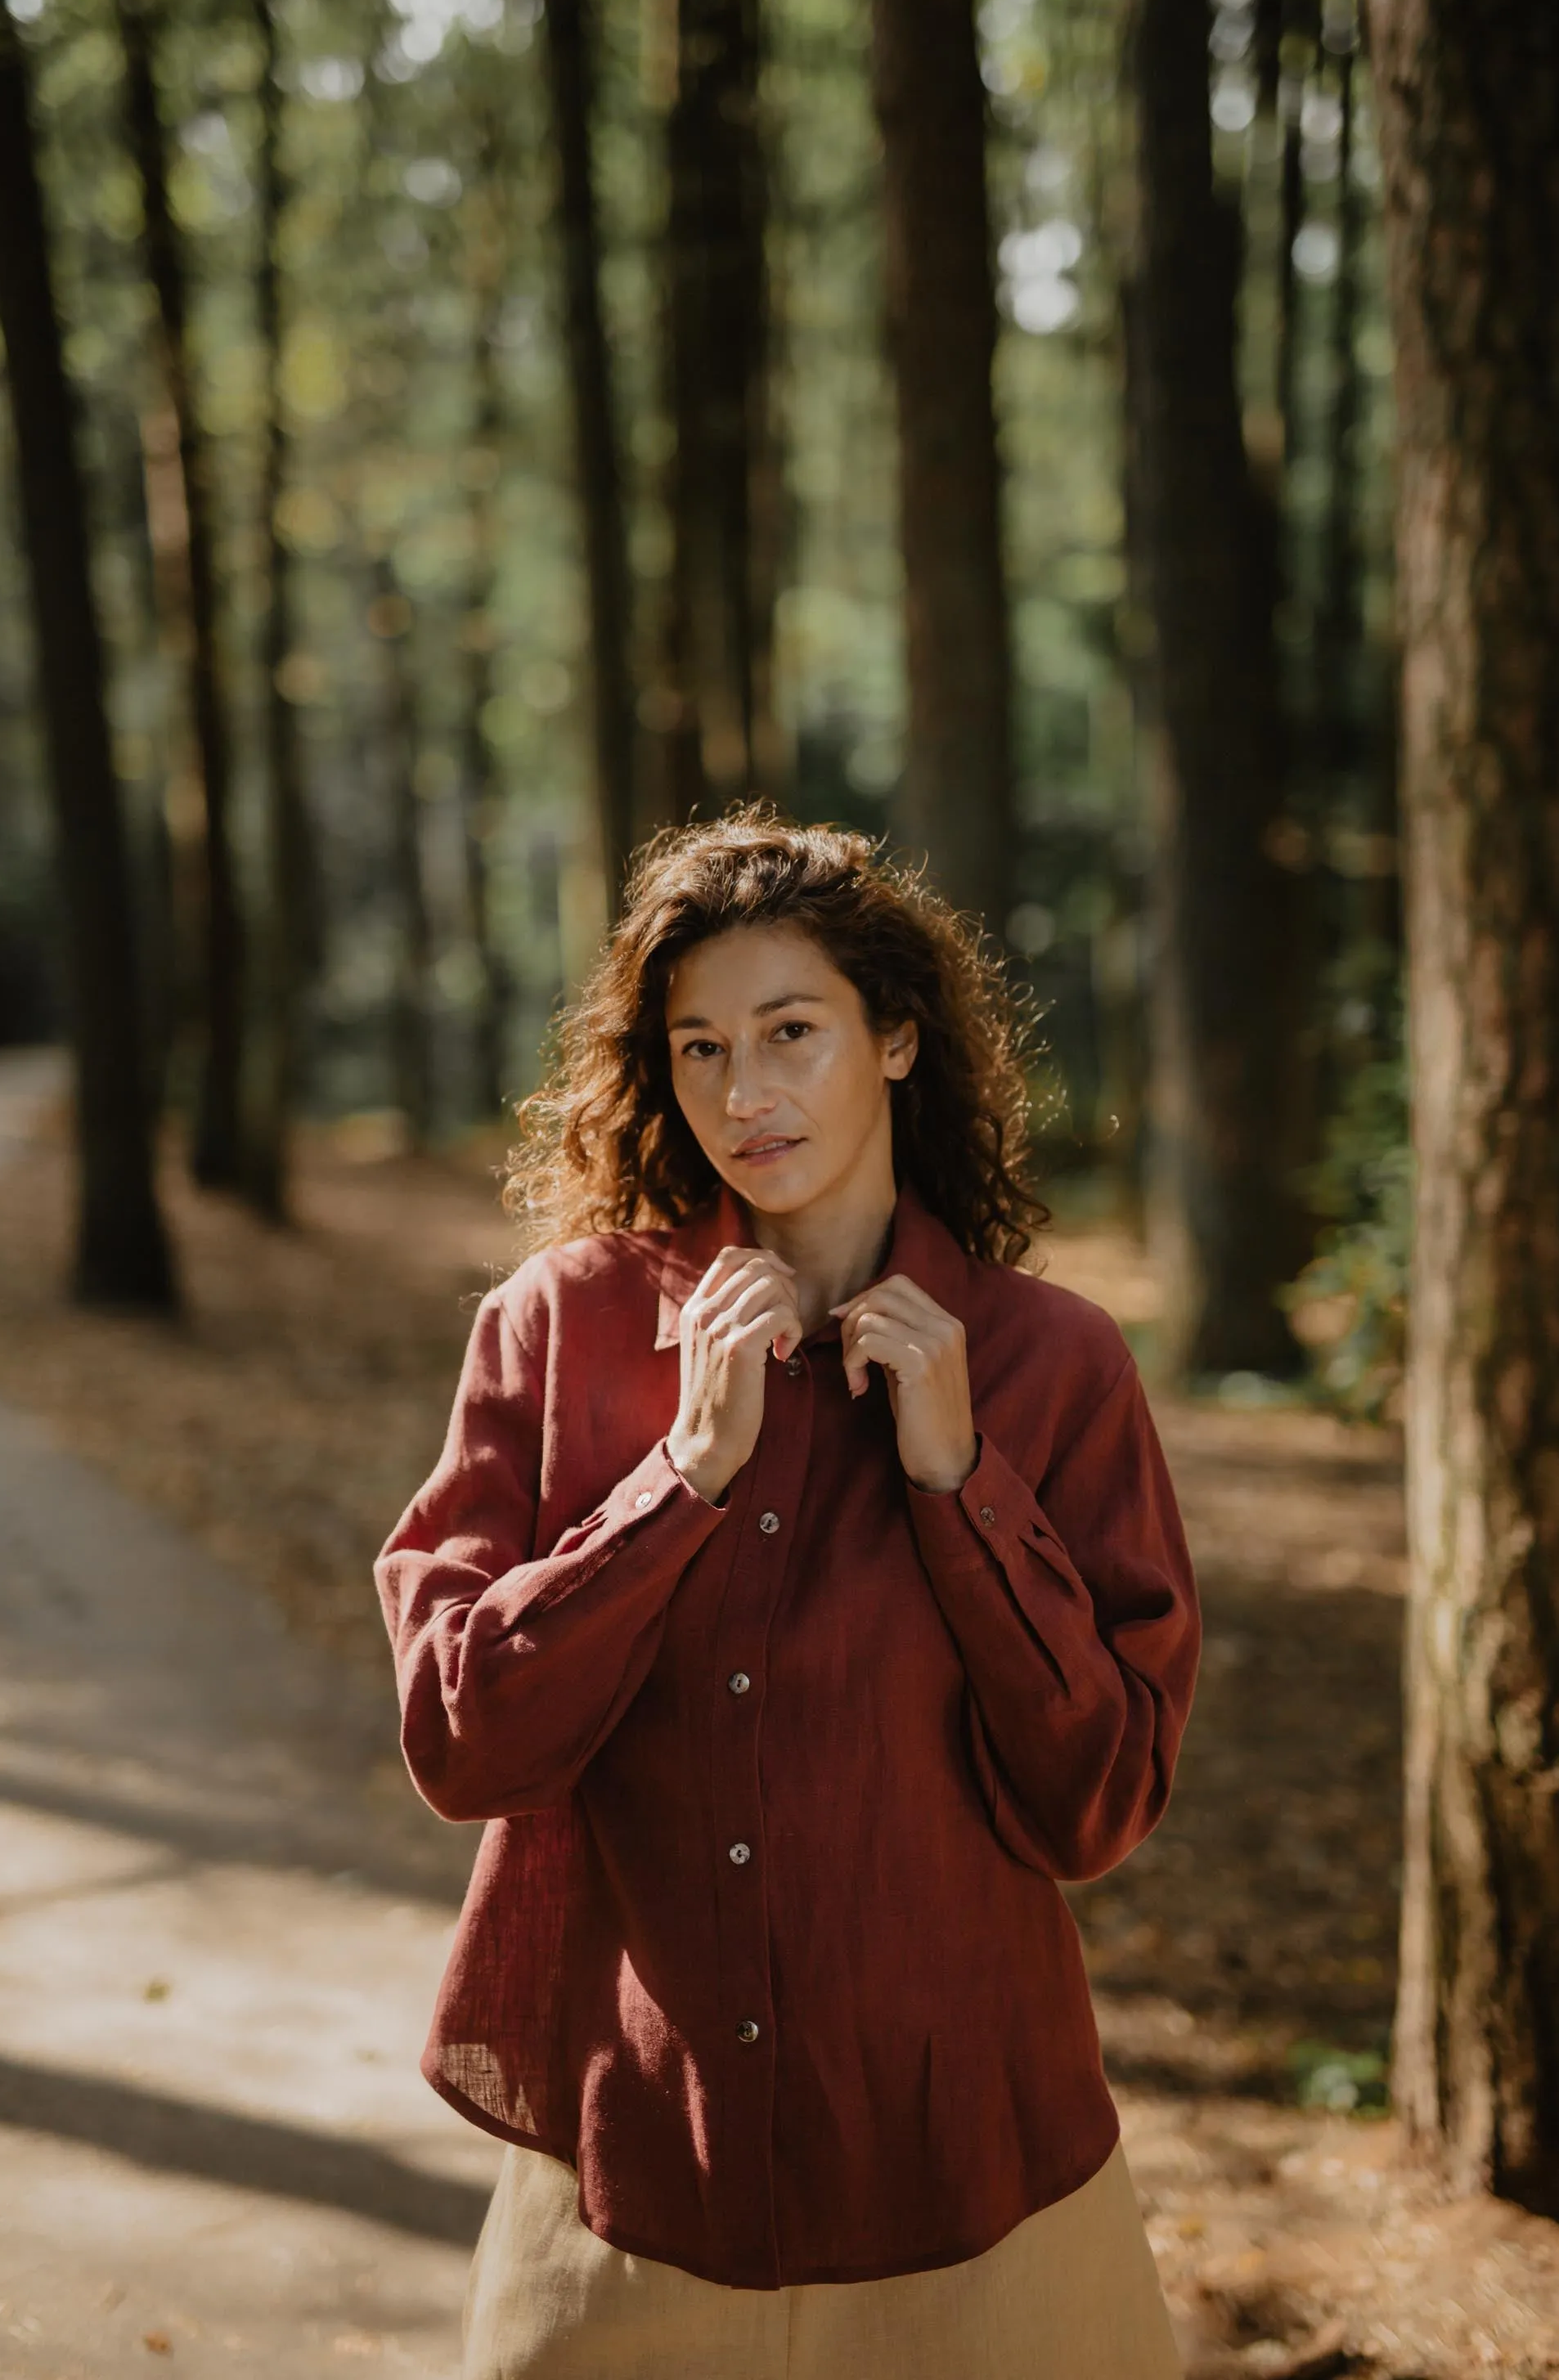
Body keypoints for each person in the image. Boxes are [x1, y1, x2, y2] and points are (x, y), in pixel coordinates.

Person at [375, 811, 1200, 2379]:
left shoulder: (1055, 1365)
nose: (743, 1096)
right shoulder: (557, 1331)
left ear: (896, 1039)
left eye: (791, 1032)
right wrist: (678, 1477)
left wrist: (965, 1485)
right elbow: (463, 1745)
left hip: (983, 2204)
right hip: (627, 2202)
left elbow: (1097, 1803)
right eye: (698, 1049)